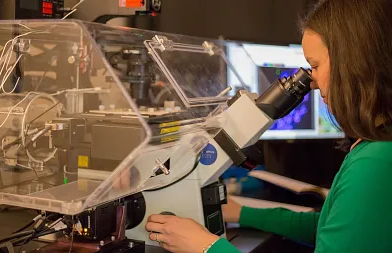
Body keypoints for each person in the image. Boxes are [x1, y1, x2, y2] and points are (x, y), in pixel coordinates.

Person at [144, 0, 392, 252]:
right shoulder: (376, 146)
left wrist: (206, 246)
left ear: (354, 64)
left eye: (315, 66)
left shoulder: (374, 162)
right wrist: (241, 213)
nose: (313, 83)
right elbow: (327, 225)